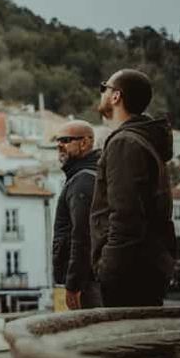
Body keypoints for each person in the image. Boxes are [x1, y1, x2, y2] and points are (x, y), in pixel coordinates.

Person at [90, 69, 176, 307]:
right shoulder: (144, 140)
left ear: (116, 96)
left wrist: (108, 268)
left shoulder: (124, 143)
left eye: (104, 88)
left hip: (128, 273)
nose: (102, 93)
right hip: (145, 266)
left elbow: (126, 215)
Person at [51, 120, 102, 310]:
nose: (59, 145)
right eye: (57, 141)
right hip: (88, 278)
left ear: (85, 143)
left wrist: (73, 284)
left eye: (65, 140)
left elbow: (82, 236)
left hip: (86, 282)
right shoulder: (89, 175)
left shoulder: (82, 181)